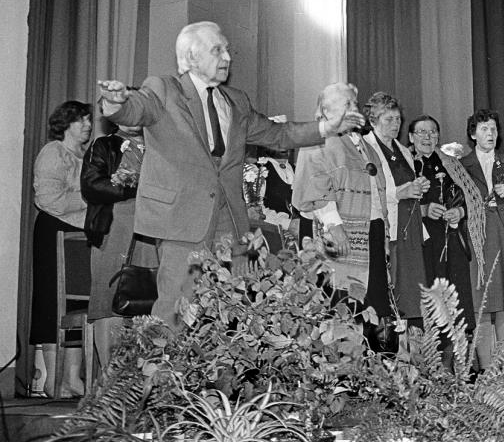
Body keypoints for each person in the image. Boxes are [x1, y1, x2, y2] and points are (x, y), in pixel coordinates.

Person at [97, 21, 363, 326]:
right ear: (192, 57)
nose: (227, 57)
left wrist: (326, 128)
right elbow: (135, 109)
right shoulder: (164, 89)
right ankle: (164, 358)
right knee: (176, 312)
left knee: (234, 312)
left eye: (227, 50)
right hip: (183, 221)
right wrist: (115, 102)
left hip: (232, 223)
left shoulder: (236, 101)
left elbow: (278, 134)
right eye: (217, 50)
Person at [292, 83, 391, 324]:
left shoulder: (365, 145)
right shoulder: (317, 140)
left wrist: (384, 235)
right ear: (326, 111)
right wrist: (334, 227)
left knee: (372, 309)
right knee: (337, 305)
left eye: (354, 103)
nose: (354, 108)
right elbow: (315, 185)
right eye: (347, 104)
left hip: (370, 234)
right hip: (336, 234)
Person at [81, 122, 157, 369]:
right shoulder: (104, 145)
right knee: (108, 302)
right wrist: (134, 187)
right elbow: (91, 184)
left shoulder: (160, 144)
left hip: (153, 231)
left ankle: (141, 375)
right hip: (113, 229)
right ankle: (109, 375)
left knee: (147, 301)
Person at [460, 109, 504, 370]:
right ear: (473, 134)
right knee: (481, 302)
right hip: (479, 236)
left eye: (493, 129)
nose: (490, 133)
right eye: (484, 129)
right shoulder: (461, 165)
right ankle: (486, 368)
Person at [31, 100, 92, 397]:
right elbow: (49, 199)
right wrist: (90, 197)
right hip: (54, 232)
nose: (88, 125)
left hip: (81, 235)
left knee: (79, 304)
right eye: (82, 120)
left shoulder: (86, 157)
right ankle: (54, 379)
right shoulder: (53, 152)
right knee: (52, 303)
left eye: (89, 120)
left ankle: (71, 379)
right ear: (65, 124)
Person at [409, 114, 482, 335]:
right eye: (422, 132)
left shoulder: (451, 164)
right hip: (419, 243)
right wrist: (423, 210)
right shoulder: (405, 164)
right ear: (411, 137)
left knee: (455, 303)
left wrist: (459, 212)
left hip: (451, 242)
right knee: (426, 300)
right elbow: (393, 204)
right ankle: (426, 351)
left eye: (432, 132)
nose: (427, 137)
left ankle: (454, 353)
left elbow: (473, 200)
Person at [362, 92, 429, 324]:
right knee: (390, 286)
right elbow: (368, 190)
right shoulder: (365, 148)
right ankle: (389, 339)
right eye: (389, 119)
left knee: (411, 290)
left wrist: (418, 185)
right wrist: (399, 193)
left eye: (398, 119)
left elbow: (406, 183)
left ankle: (410, 340)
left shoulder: (404, 150)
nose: (395, 124)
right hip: (387, 226)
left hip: (410, 227)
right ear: (373, 120)